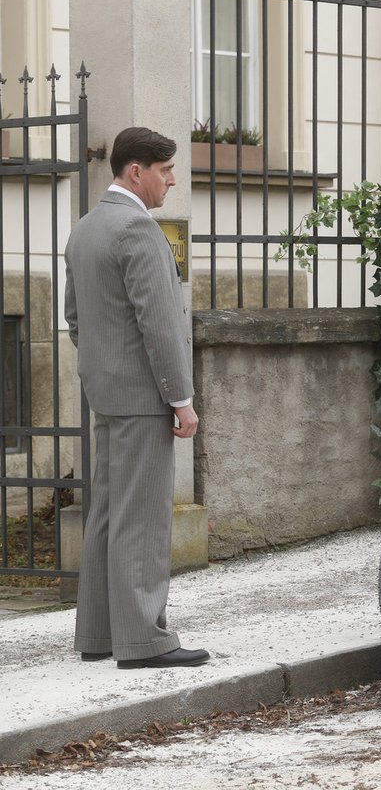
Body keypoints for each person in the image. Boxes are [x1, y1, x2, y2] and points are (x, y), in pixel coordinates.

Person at [65, 127, 209, 668]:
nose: (172, 180)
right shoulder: (139, 231)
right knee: (142, 519)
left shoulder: (85, 229)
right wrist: (182, 400)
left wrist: (106, 370)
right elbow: (162, 327)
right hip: (146, 398)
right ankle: (144, 640)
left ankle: (100, 635)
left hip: (105, 392)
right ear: (135, 172)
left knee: (106, 513)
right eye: (165, 170)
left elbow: (75, 320)